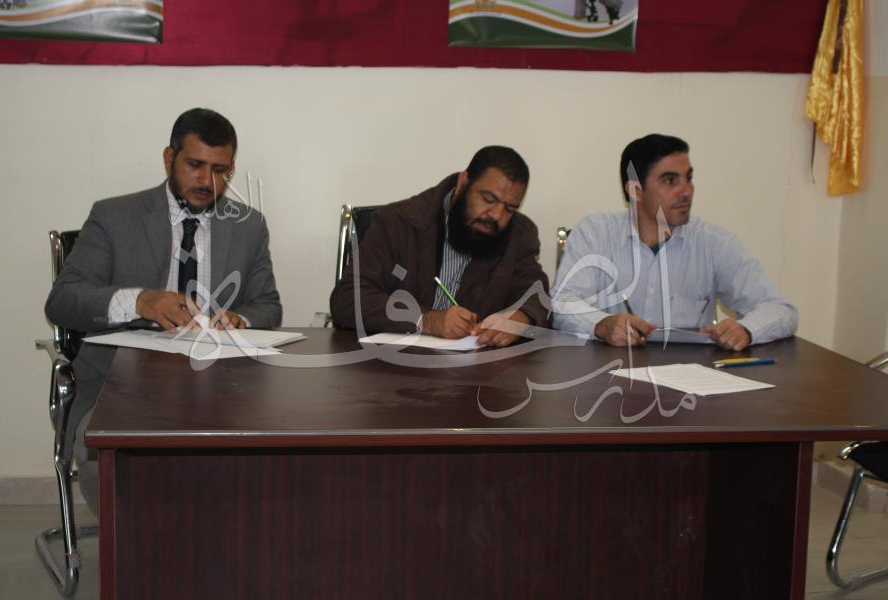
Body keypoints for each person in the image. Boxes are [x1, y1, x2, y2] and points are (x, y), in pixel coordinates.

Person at [45, 107, 282, 513]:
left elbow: (268, 306)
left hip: (220, 387)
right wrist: (139, 301)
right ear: (169, 158)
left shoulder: (249, 226)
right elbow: (62, 300)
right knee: (113, 466)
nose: (207, 181)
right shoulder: (113, 216)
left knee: (270, 459)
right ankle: (136, 546)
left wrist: (240, 318)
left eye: (220, 170)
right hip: (119, 387)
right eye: (195, 165)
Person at [551, 133, 797, 350]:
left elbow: (780, 310)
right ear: (635, 190)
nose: (686, 191)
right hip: (607, 374)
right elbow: (563, 304)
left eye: (688, 178)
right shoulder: (595, 234)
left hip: (691, 378)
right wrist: (602, 325)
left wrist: (747, 329)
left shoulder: (713, 243)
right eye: (670, 181)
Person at [329, 145, 550, 347]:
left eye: (510, 208)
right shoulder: (398, 222)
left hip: (475, 372)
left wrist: (522, 317)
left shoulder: (519, 235)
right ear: (463, 183)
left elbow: (537, 295)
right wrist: (427, 320)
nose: (497, 215)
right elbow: (348, 298)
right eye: (489, 199)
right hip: (393, 365)